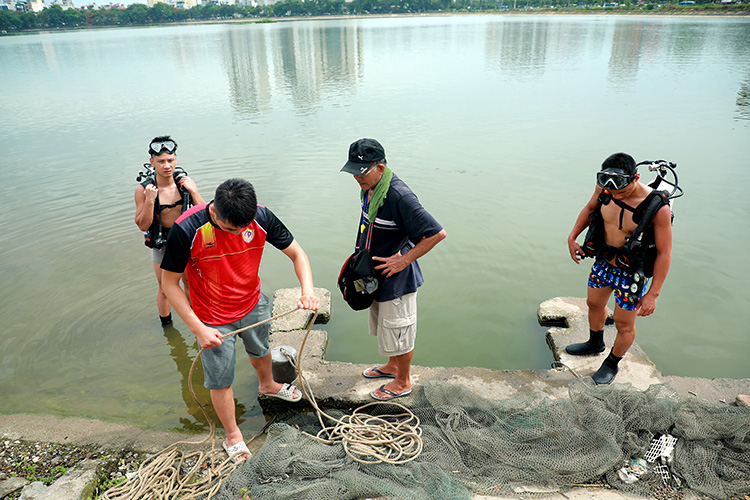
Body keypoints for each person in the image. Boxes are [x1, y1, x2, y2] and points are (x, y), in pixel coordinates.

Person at [160, 178, 319, 462]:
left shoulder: (260, 216)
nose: (240, 233)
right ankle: (233, 435)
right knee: (220, 379)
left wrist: (307, 291)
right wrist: (198, 328)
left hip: (252, 302)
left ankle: (268, 384)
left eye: (245, 227)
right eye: (232, 228)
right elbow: (169, 283)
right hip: (211, 316)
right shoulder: (187, 229)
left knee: (260, 351)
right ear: (215, 212)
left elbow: (297, 254)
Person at [340, 138, 446, 401]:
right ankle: (392, 366)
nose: (357, 177)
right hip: (376, 276)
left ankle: (402, 381)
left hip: (398, 279)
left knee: (400, 330)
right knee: (387, 327)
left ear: (381, 167)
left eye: (362, 171)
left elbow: (436, 233)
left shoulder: (399, 195)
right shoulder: (370, 190)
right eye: (353, 171)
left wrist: (403, 260)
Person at [566, 152, 673, 385]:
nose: (616, 194)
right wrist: (573, 237)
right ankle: (595, 343)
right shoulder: (604, 189)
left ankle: (611, 363)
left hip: (631, 272)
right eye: (612, 191)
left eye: (622, 191)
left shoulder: (657, 207)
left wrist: (653, 294)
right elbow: (589, 209)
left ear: (636, 177)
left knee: (624, 324)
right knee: (594, 304)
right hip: (604, 261)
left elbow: (665, 253)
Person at [134, 136, 204, 326]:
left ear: (175, 160)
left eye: (170, 160)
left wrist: (195, 192)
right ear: (152, 162)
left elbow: (206, 214)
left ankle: (197, 325)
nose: (167, 166)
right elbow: (142, 225)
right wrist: (150, 200)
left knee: (190, 284)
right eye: (161, 161)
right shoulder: (144, 190)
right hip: (162, 243)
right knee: (164, 288)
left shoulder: (185, 184)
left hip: (186, 240)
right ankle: (167, 326)